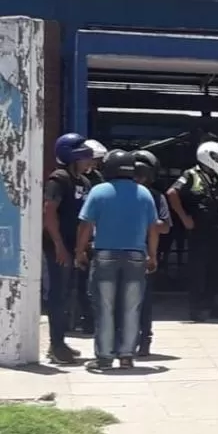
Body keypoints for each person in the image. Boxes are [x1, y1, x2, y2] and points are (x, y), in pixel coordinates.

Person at [76, 149, 158, 370]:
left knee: (105, 307)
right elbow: (153, 229)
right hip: (136, 256)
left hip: (105, 256)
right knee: (132, 307)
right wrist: (153, 255)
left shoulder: (99, 191)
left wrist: (79, 251)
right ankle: (126, 355)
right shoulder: (144, 193)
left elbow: (86, 225)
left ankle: (104, 356)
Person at [166, 141, 218, 322]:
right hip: (200, 232)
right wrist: (184, 217)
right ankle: (197, 308)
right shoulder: (191, 174)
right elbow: (172, 193)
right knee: (199, 271)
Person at [42, 133, 95, 363]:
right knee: (58, 294)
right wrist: (59, 245)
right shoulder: (59, 179)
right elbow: (49, 212)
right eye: (84, 157)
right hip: (59, 245)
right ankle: (55, 344)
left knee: (68, 294)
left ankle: (61, 341)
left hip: (74, 246)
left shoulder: (84, 182)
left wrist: (81, 248)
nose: (89, 162)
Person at [132, 149, 172, 357]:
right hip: (123, 252)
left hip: (146, 253)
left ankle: (144, 338)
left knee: (144, 299)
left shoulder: (156, 197)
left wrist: (148, 223)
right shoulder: (116, 193)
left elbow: (165, 226)